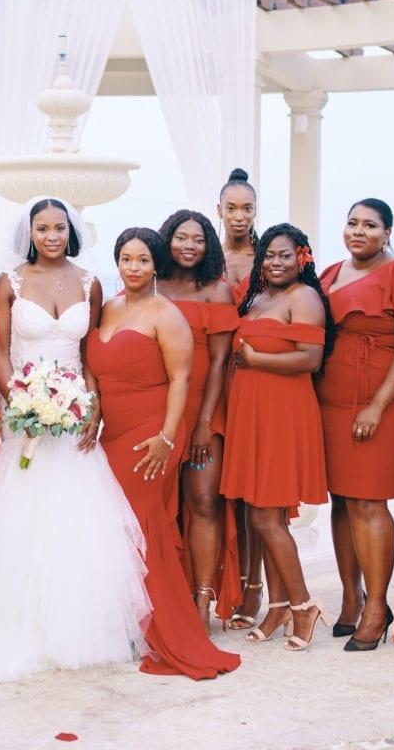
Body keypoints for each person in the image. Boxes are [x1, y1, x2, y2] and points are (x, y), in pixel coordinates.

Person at [0, 197, 151, 682]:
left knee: (78, 523)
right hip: (24, 417)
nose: (51, 236)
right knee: (14, 523)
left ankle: (80, 627)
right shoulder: (10, 282)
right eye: (42, 228)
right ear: (30, 233)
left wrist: (92, 403)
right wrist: (19, 400)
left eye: (59, 227)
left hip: (74, 417)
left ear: (71, 231)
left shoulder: (91, 282)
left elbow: (90, 354)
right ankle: (0, 621)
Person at [88, 227, 240, 679]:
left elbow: (181, 379)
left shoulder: (165, 313)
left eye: (142, 260)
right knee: (116, 525)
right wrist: (92, 409)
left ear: (157, 265)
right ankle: (128, 624)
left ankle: (167, 628)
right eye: (126, 259)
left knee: (143, 523)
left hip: (151, 432)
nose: (133, 268)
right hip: (111, 432)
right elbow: (94, 364)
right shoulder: (109, 307)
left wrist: (167, 437)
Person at [317, 198, 394, 651]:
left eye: (370, 225)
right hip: (331, 400)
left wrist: (377, 406)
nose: (359, 231)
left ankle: (377, 606)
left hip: (382, 402)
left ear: (388, 232)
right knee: (340, 500)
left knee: (368, 500)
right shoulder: (329, 273)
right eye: (352, 223)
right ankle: (351, 597)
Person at [219, 223, 334, 651]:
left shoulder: (303, 297)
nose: (276, 262)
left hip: (282, 411)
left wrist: (255, 358)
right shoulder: (259, 296)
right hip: (252, 410)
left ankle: (304, 605)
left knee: (268, 516)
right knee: (256, 514)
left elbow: (310, 359)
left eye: (285, 255)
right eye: (269, 254)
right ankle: (279, 604)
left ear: (301, 257)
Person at [155, 210, 241, 630]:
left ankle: (203, 601)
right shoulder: (150, 286)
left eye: (199, 239)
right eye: (181, 237)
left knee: (204, 501)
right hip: (160, 410)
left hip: (206, 408)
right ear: (166, 239)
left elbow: (223, 360)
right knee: (161, 509)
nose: (189, 245)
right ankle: (164, 597)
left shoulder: (216, 291)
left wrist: (206, 422)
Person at [215, 167, 265, 628]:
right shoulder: (205, 257)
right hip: (213, 381)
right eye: (231, 208)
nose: (239, 216)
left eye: (247, 208)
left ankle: (254, 586)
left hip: (255, 380)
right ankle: (214, 584)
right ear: (219, 210)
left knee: (255, 491)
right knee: (212, 489)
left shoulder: (270, 258)